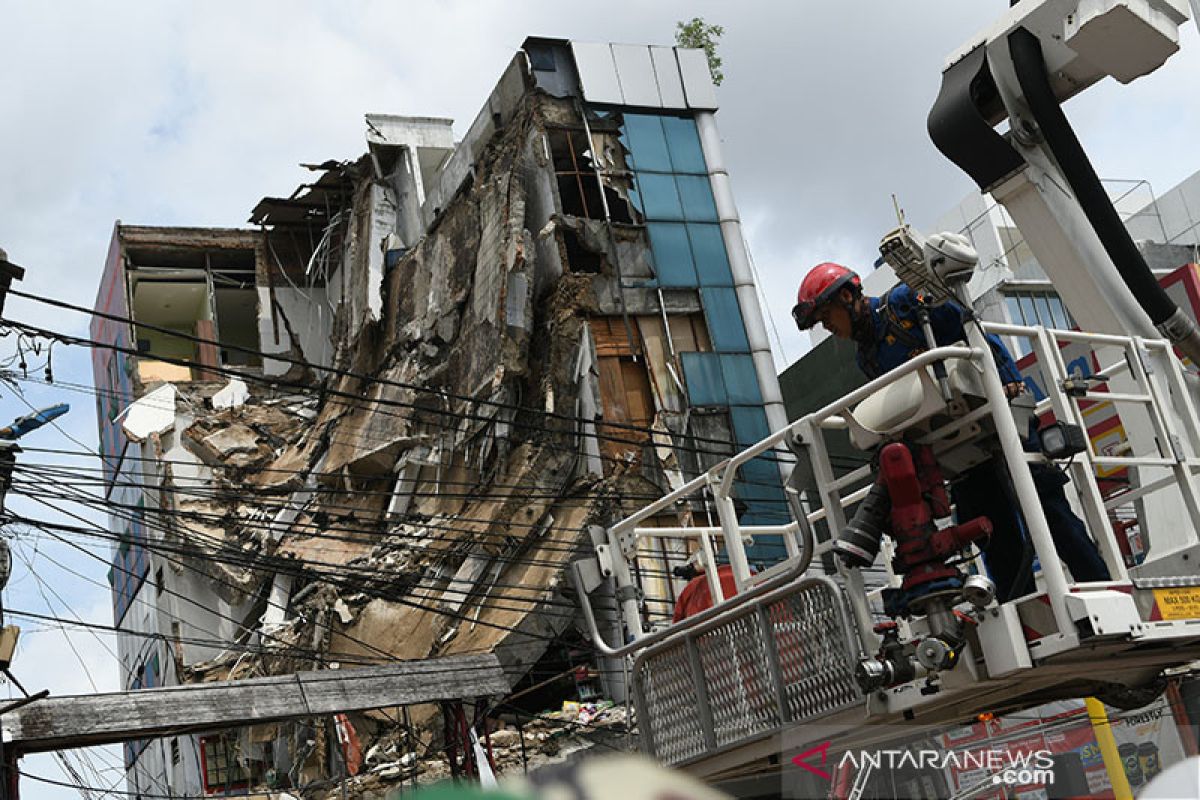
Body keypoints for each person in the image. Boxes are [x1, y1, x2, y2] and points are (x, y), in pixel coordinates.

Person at [793, 262, 1110, 600]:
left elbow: (971, 330)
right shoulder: (867, 357)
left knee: (1050, 515)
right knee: (994, 538)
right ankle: (1025, 616)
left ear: (846, 295)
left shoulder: (903, 304)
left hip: (997, 420)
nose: (828, 327)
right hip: (959, 448)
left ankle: (1103, 591)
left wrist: (1008, 380)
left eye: (827, 316)